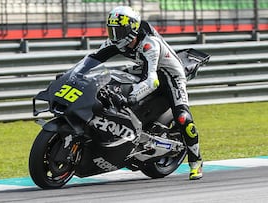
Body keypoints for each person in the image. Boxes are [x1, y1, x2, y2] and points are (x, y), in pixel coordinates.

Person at [80, 6, 203, 180]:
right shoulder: (117, 41)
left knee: (183, 118)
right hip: (143, 69)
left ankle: (196, 160)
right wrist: (74, 74)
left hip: (170, 76)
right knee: (110, 81)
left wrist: (130, 98)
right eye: (111, 30)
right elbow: (92, 59)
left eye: (119, 31)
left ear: (132, 29)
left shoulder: (149, 43)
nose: (115, 35)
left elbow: (151, 81)